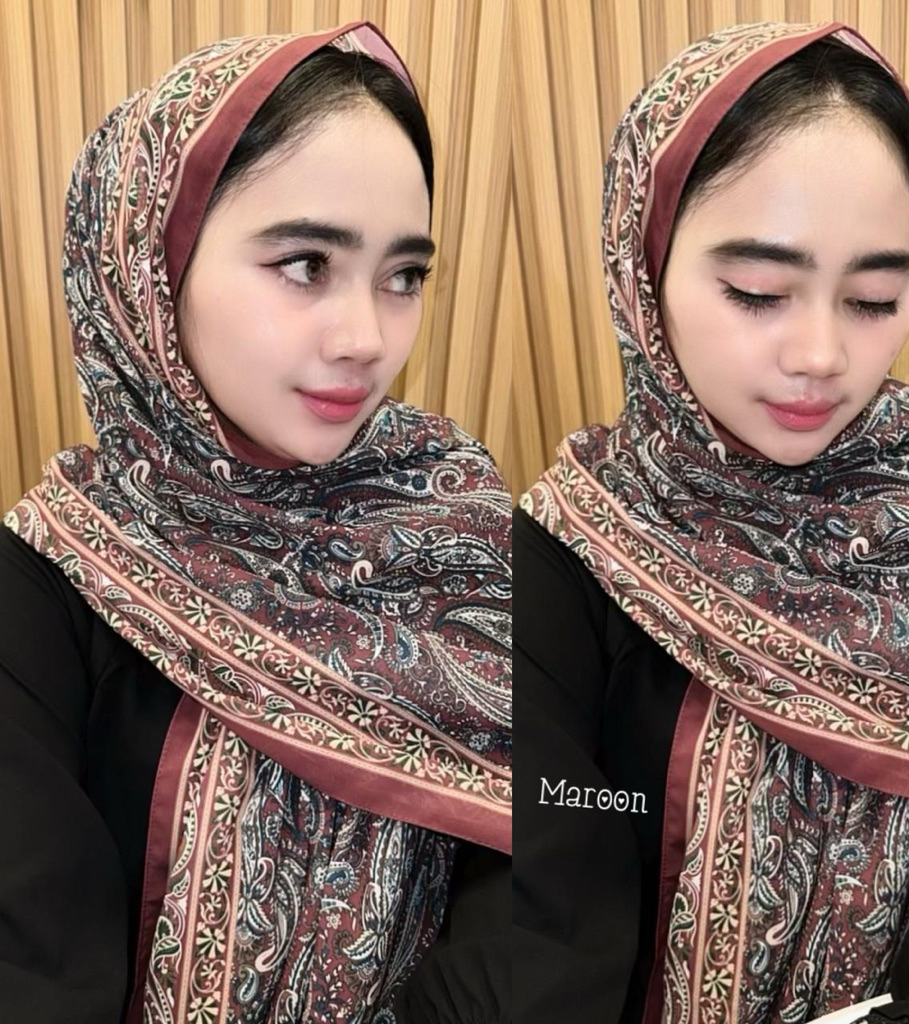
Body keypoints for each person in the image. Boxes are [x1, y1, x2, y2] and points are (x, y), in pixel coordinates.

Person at [514, 21, 909, 1024]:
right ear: (642, 267)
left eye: (873, 297)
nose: (821, 355)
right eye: (757, 292)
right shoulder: (569, 550)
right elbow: (546, 882)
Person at [0, 22, 510, 1024]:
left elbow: (534, 887)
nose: (366, 337)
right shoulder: (48, 580)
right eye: (306, 263)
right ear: (152, 268)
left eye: (404, 275)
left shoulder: (458, 520)